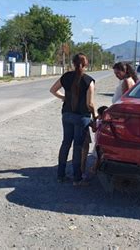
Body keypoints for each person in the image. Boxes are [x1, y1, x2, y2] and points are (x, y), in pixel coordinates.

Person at [50, 53, 97, 186]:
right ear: (86, 64)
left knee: (65, 143)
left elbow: (53, 90)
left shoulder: (66, 76)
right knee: (77, 147)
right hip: (82, 117)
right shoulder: (89, 81)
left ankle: (60, 175)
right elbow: (90, 104)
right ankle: (77, 179)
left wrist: (64, 98)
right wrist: (94, 115)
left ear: (73, 63)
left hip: (67, 115)